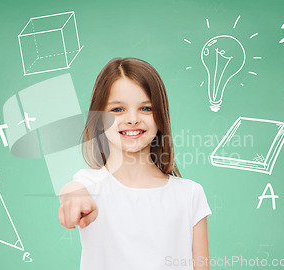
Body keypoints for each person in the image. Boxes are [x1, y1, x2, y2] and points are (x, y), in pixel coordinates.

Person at [58, 57, 211, 270]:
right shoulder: (89, 185)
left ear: (160, 116)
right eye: (118, 109)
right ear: (99, 119)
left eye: (146, 108)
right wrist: (75, 200)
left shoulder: (190, 194)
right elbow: (73, 191)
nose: (132, 119)